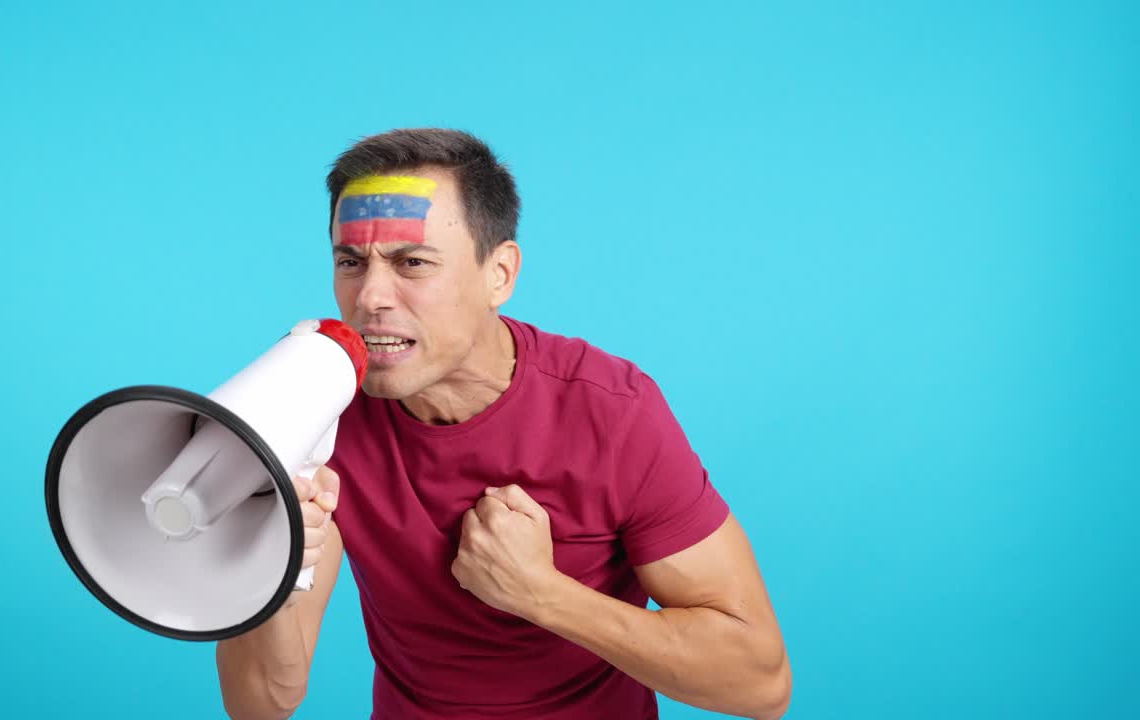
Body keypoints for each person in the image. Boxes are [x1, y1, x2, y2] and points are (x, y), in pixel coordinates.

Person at [216, 128, 791, 720]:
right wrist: (277, 565)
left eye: (412, 263)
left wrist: (541, 593)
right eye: (350, 262)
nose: (370, 296)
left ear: (501, 274)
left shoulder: (611, 411)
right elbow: (259, 705)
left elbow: (759, 684)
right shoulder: (320, 404)